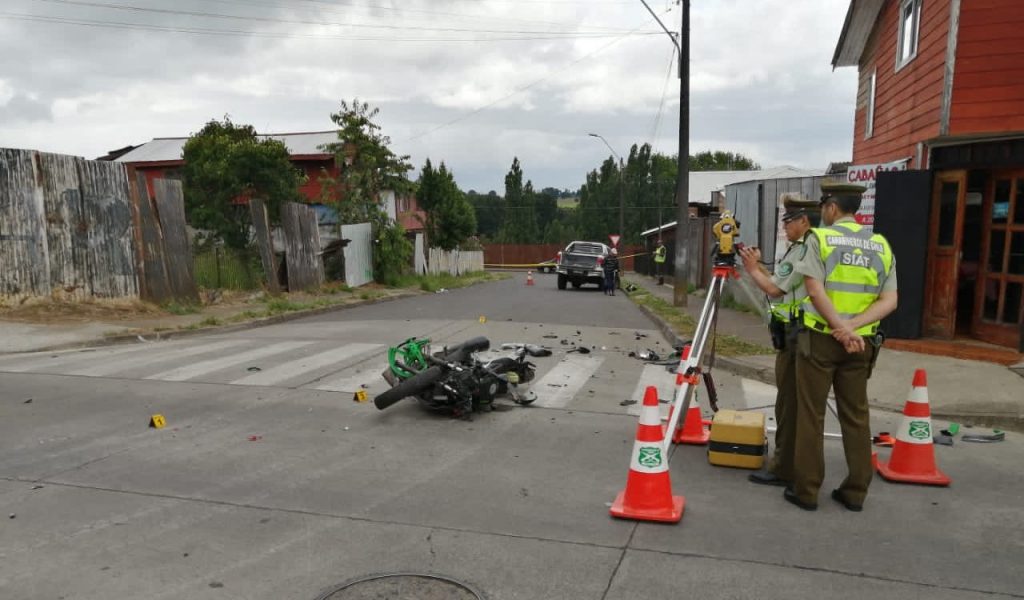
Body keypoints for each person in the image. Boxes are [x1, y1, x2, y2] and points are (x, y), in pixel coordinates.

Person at [786, 182, 898, 512]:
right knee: (856, 417)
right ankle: (855, 492)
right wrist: (853, 329)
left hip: (821, 339)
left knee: (811, 414)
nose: (822, 214)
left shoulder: (819, 239)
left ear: (832, 208)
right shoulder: (880, 245)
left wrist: (839, 327)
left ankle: (806, 491)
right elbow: (890, 300)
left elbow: (814, 291)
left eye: (823, 208)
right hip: (860, 343)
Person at [737, 194, 821, 488]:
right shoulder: (809, 247)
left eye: (788, 221)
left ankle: (785, 467)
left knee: (789, 405)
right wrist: (760, 266)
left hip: (797, 337)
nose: (784, 226)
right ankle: (796, 465)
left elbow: (774, 290)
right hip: (800, 333)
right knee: (800, 406)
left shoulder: (804, 250)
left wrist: (751, 269)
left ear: (804, 221)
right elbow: (783, 283)